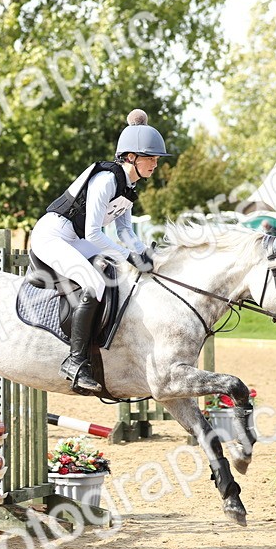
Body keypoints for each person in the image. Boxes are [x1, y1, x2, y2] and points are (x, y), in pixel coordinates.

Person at [29, 108, 167, 393]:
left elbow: (126, 232)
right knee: (94, 283)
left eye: (155, 159)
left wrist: (146, 255)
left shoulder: (129, 189)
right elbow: (93, 233)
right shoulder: (106, 180)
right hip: (53, 235)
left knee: (116, 272)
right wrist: (129, 256)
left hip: (75, 238)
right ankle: (75, 361)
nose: (155, 164)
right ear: (131, 157)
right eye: (150, 158)